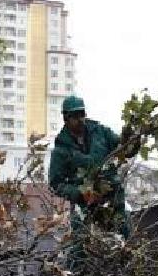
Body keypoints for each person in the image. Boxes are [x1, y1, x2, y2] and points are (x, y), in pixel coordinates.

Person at [49, 96, 137, 253]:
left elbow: (125, 150)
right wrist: (79, 194)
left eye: (82, 114)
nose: (80, 119)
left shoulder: (101, 132)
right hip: (84, 206)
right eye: (75, 116)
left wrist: (134, 139)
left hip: (112, 198)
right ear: (66, 118)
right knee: (81, 247)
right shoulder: (61, 150)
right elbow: (56, 183)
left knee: (123, 240)